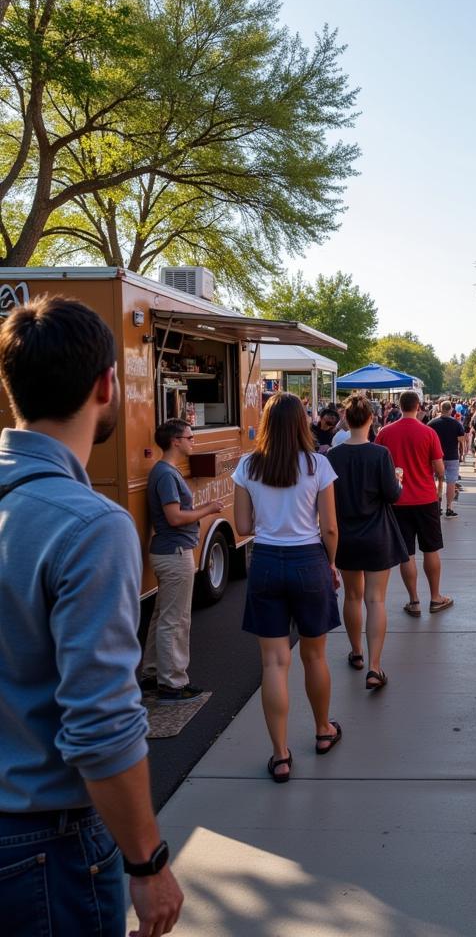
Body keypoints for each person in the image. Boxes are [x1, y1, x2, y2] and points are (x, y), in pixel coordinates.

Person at [0, 296, 183, 935]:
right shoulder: (90, 525)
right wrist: (148, 862)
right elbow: (101, 722)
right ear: (108, 385)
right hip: (45, 849)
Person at [231, 392, 343, 782]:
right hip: (309, 561)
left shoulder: (248, 466)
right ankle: (323, 730)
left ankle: (279, 755)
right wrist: (330, 564)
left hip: (265, 563)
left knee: (274, 663)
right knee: (315, 656)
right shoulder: (318, 465)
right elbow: (329, 527)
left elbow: (243, 528)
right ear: (301, 423)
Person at [327, 394, 407, 691]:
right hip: (377, 536)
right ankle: (374, 667)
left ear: (345, 420)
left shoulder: (332, 457)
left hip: (346, 536)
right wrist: (398, 479)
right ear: (372, 419)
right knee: (376, 600)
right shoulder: (380, 455)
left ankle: (356, 651)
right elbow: (393, 495)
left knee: (351, 597)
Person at [141, 417, 224, 701]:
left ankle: (153, 673)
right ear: (175, 441)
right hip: (175, 553)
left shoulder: (164, 471)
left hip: (168, 551)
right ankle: (173, 682)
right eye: (190, 437)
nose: (193, 441)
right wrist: (208, 509)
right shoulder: (166, 474)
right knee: (176, 620)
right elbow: (174, 517)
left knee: (162, 616)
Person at [376, 390, 454, 616]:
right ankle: (436, 597)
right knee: (431, 549)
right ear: (418, 406)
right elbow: (440, 469)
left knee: (407, 552)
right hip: (426, 498)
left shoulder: (385, 433)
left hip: (397, 500)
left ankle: (414, 600)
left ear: (399, 406)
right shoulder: (428, 433)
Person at [428, 400, 465, 517]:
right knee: (451, 482)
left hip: (436, 456)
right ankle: (449, 507)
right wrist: (462, 453)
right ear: (451, 410)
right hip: (452, 455)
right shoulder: (456, 424)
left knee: (437, 479)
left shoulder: (432, 423)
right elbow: (461, 440)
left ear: (440, 408)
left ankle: (437, 504)